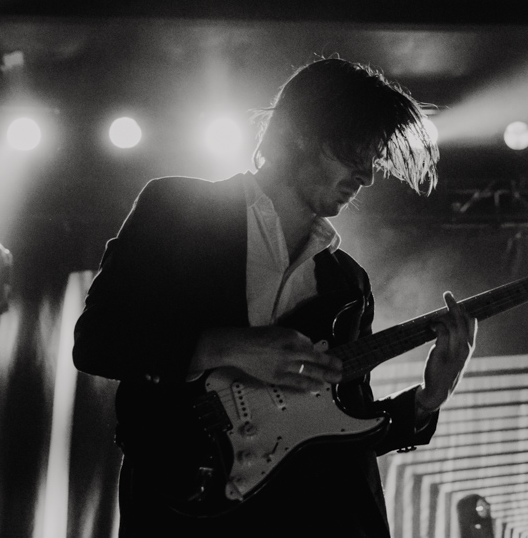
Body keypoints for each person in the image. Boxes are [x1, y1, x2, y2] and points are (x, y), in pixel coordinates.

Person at [72, 57, 477, 537]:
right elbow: (97, 340)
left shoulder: (348, 283)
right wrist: (226, 347)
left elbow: (343, 426)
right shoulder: (179, 211)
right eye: (354, 151)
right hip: (186, 505)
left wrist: (429, 398)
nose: (367, 175)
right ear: (300, 134)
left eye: (373, 157)